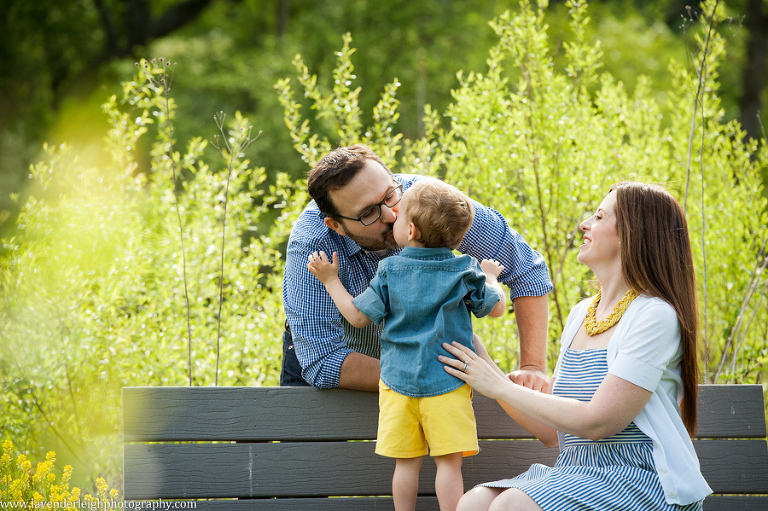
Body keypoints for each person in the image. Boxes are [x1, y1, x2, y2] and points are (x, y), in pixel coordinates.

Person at [440, 181, 712, 511]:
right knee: (473, 503)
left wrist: (498, 386)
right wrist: (476, 355)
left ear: (633, 233)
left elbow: (598, 422)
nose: (584, 224)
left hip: (641, 480)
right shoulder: (582, 313)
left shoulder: (655, 316)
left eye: (599, 217)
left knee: (511, 505)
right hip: (576, 472)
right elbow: (551, 432)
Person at [281, 144, 552, 392]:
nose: (391, 215)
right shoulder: (312, 247)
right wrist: (426, 373)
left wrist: (533, 368)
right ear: (336, 225)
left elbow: (525, 268)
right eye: (368, 214)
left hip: (428, 366)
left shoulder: (432, 204)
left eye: (390, 196)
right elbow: (324, 361)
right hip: (346, 369)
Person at [307, 177, 507, 511]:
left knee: (406, 464)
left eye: (398, 218)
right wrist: (490, 278)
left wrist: (330, 280)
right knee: (448, 464)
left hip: (398, 385)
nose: (391, 219)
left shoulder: (390, 270)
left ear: (411, 231)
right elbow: (496, 308)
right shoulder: (464, 269)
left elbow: (357, 317)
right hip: (449, 382)